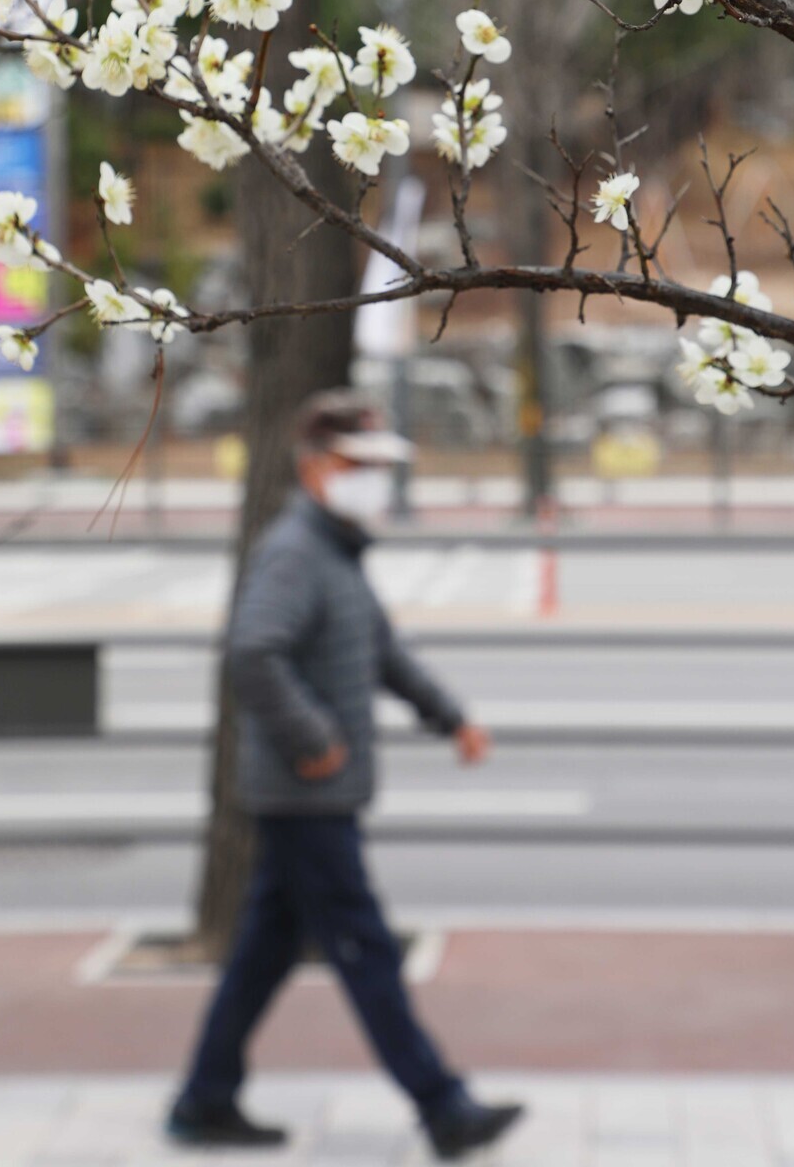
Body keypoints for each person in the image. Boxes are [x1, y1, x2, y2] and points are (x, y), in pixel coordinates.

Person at [168, 388, 525, 1160]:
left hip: (315, 790)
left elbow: (382, 654)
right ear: (317, 468)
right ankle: (443, 1106)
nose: (373, 480)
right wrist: (314, 739)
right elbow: (252, 652)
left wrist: (450, 718)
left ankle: (204, 1098)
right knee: (365, 948)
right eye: (357, 465)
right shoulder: (297, 552)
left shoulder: (336, 553)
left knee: (264, 953)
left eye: (377, 466)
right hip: (305, 794)